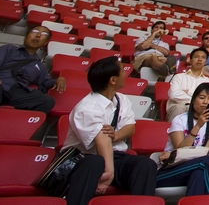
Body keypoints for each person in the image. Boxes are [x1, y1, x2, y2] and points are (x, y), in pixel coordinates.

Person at [62, 57, 157, 205]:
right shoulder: (87, 107)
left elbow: (130, 127)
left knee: (145, 165)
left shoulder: (121, 99)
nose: (126, 73)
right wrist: (109, 172)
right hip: (82, 160)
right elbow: (102, 139)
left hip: (114, 156)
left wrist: (116, 135)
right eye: (122, 71)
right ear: (113, 80)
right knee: (96, 162)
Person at [0, 25, 64, 128]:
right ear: (25, 37)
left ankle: (17, 129)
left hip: (17, 93)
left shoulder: (39, 66)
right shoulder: (8, 49)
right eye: (35, 31)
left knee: (47, 101)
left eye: (44, 34)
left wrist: (59, 79)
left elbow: (45, 82)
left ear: (45, 43)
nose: (38, 35)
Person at [156, 82, 209, 196]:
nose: (205, 102)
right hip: (169, 171)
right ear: (193, 100)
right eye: (202, 98)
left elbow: (204, 153)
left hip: (193, 168)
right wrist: (198, 126)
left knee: (198, 174)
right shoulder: (179, 120)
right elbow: (180, 148)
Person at [167, 48, 209, 122]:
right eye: (196, 57)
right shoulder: (179, 77)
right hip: (181, 107)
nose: (199, 59)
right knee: (179, 107)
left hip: (199, 110)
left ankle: (208, 133)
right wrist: (198, 98)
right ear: (191, 60)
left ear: (205, 61)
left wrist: (188, 92)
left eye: (203, 57)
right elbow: (173, 94)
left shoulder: (208, 81)